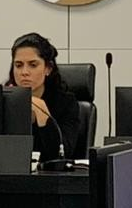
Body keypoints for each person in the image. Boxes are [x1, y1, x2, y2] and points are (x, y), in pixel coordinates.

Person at [5, 32, 78, 161]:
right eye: (18, 65)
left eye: (33, 65)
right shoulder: (3, 100)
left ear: (48, 68)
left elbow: (63, 153)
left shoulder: (66, 103)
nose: (24, 72)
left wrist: (44, 118)